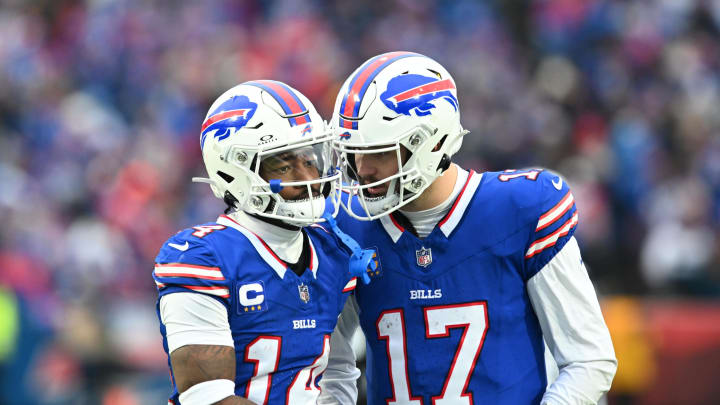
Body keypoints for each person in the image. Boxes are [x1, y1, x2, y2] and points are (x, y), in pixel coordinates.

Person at [319, 52, 617, 405]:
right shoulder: (347, 226)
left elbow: (589, 359)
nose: (362, 169)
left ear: (432, 144)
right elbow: (329, 368)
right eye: (353, 153)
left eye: (379, 153)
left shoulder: (518, 209)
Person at [153, 80, 362, 405]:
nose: (307, 178)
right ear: (233, 172)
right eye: (282, 165)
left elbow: (338, 371)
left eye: (310, 160)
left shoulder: (332, 250)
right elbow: (207, 397)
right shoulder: (204, 257)